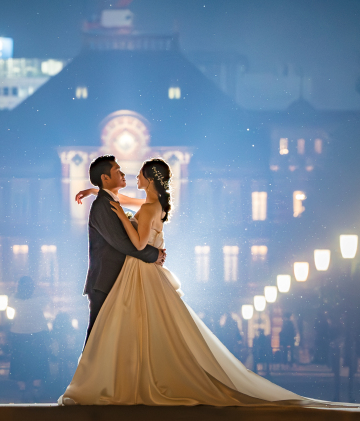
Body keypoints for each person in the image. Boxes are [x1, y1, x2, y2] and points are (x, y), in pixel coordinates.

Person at [60, 158, 305, 406]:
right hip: (122, 274)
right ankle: (119, 381)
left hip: (132, 273)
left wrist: (125, 219)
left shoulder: (143, 208)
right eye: (119, 171)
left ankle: (112, 384)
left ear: (150, 179)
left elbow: (134, 243)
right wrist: (97, 193)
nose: (132, 177)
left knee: (119, 330)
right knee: (128, 330)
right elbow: (125, 220)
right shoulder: (150, 205)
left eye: (139, 175)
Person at [76, 155, 166, 345]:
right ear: (105, 178)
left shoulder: (116, 202)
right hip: (105, 280)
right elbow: (122, 242)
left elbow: (124, 202)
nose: (126, 174)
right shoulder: (103, 205)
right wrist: (154, 254)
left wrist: (96, 190)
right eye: (118, 171)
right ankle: (90, 373)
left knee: (114, 339)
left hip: (121, 277)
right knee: (98, 338)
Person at [8, 276, 50, 402]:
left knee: (20, 361)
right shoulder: (39, 300)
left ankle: (22, 389)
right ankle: (36, 389)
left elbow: (11, 302)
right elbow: (47, 297)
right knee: (38, 361)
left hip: (18, 333)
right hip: (37, 333)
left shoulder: (13, 300)